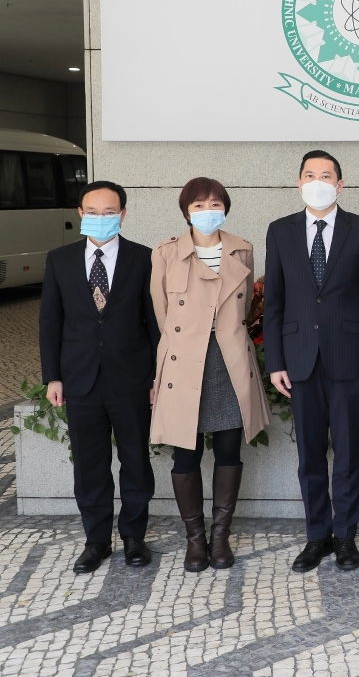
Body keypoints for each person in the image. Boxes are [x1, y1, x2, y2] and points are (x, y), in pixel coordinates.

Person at [264, 151, 359, 573]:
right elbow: (274, 302)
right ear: (299, 182)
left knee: (348, 453)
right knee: (310, 455)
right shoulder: (280, 231)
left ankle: (346, 536)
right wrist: (275, 361)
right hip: (299, 359)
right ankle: (317, 536)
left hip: (348, 358)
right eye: (310, 175)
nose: (318, 182)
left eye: (326, 175)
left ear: (340, 184)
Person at [150, 177, 271, 573]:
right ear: (186, 211)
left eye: (214, 204)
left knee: (229, 450)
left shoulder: (242, 248)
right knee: (186, 454)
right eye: (198, 205)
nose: (207, 211)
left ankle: (220, 537)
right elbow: (162, 314)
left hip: (228, 359)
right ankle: (195, 540)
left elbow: (243, 309)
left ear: (225, 208)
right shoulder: (166, 253)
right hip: (184, 360)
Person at [39, 181, 159, 574]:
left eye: (109, 213)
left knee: (135, 461)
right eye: (93, 212)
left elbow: (154, 323)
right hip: (80, 378)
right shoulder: (60, 259)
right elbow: (50, 323)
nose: (101, 218)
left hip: (131, 378)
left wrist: (156, 376)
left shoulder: (143, 258)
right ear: (80, 213)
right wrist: (53, 377)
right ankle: (96, 541)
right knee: (89, 465)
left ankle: (134, 537)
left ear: (123, 214)